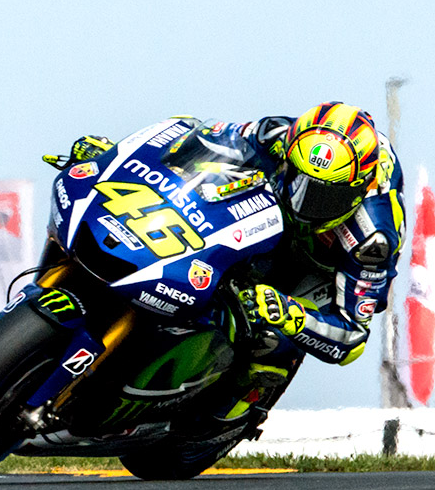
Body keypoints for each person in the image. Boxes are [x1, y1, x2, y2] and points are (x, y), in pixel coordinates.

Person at [69, 101, 406, 421]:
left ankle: (225, 415)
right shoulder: (275, 135)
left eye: (322, 197)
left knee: (269, 340)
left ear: (357, 191)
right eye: (297, 180)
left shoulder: (372, 237)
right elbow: (198, 142)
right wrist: (118, 157)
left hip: (323, 268)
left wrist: (291, 315)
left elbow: (351, 337)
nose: (302, 201)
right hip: (271, 220)